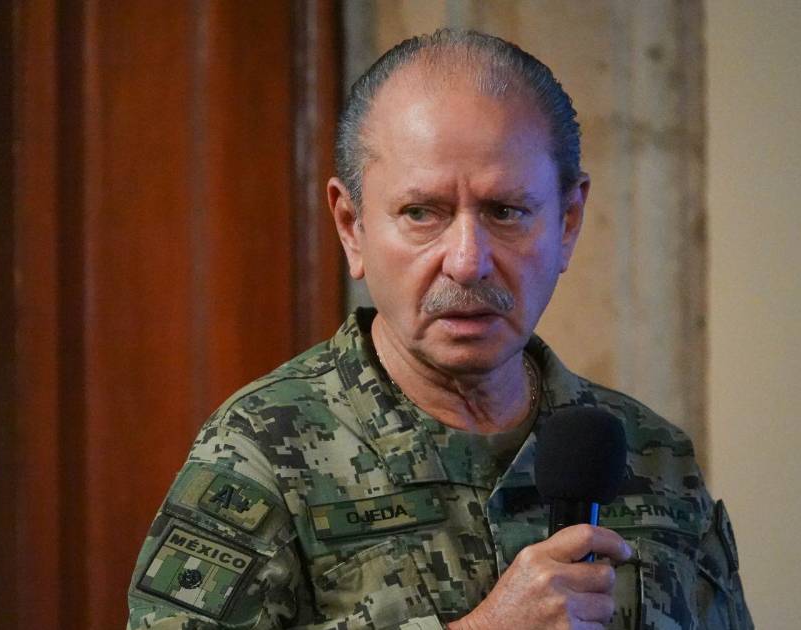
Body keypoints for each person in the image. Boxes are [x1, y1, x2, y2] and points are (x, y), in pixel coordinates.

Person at [126, 28, 752, 630]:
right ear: (352, 227)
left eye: (506, 211)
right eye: (422, 213)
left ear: (567, 222)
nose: (467, 260)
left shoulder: (651, 455)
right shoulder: (262, 451)